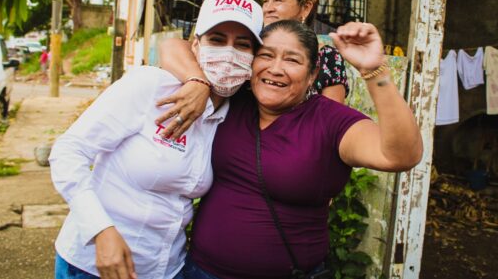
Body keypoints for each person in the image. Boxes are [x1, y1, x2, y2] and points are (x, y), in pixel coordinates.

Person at [176, 20, 423, 279]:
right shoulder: (232, 99)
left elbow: (401, 155)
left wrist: (375, 72)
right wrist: (197, 82)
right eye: (266, 56)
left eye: (292, 60)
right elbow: (173, 46)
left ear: (313, 74)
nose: (276, 68)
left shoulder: (329, 120)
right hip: (200, 270)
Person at [49, 0, 263, 279]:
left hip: (166, 268)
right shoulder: (151, 87)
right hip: (93, 264)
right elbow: (68, 151)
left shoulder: (230, 116)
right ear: (195, 45)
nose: (228, 53)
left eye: (242, 44)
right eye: (216, 39)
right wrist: (100, 229)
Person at [157, 0, 349, 139]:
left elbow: (331, 122)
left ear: (306, 7)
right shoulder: (251, 42)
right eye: (265, 0)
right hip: (235, 139)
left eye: (278, 0)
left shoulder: (325, 55)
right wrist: (198, 82)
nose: (268, 7)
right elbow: (173, 46)